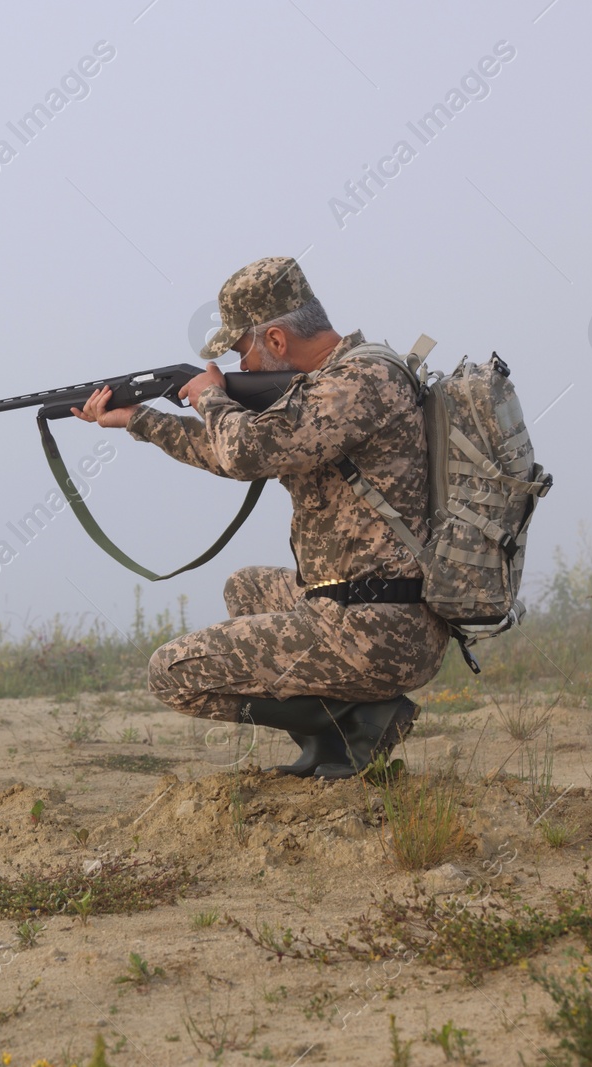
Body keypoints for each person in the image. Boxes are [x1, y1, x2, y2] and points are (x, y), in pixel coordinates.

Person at [71, 257, 449, 778]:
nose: (238, 368)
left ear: (275, 340)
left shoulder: (358, 382)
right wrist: (139, 419)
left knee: (172, 673)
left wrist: (208, 397)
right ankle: (333, 750)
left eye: (239, 351)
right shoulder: (336, 382)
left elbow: (247, 450)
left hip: (378, 631)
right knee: (246, 589)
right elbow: (237, 453)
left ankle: (364, 720)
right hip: (368, 610)